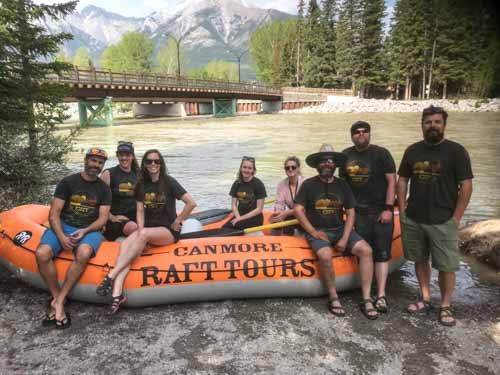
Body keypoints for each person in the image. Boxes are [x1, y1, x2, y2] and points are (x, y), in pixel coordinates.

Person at [397, 105, 473, 327]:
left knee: (446, 266)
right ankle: (425, 298)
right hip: (415, 217)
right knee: (420, 260)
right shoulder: (412, 150)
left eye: (437, 122)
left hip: (444, 219)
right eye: (428, 122)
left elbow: (466, 185)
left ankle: (446, 305)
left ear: (444, 125)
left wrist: (457, 218)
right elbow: (403, 180)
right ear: (422, 125)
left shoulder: (457, 151)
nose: (432, 126)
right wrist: (402, 211)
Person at [96, 149, 196, 313]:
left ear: (161, 164)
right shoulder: (141, 185)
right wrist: (140, 235)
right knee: (126, 246)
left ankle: (111, 275)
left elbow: (191, 203)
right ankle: (117, 294)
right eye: (149, 161)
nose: (153, 164)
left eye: (156, 161)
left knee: (141, 235)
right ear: (144, 164)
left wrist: (178, 220)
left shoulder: (169, 182)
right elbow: (140, 212)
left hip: (167, 231)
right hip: (148, 230)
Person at [294, 144, 378, 320]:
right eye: (323, 160)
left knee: (366, 251)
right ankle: (333, 297)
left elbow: (350, 212)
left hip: (339, 229)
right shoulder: (308, 184)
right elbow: (298, 209)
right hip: (318, 231)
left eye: (330, 160)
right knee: (324, 255)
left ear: (335, 165)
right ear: (318, 164)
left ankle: (367, 298)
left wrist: (345, 238)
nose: (327, 163)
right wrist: (313, 232)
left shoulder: (342, 185)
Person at [35, 147, 111, 329]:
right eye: (93, 161)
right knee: (42, 253)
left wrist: (85, 231)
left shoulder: (103, 189)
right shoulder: (68, 182)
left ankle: (60, 301)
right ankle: (56, 296)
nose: (96, 165)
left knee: (84, 252)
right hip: (64, 225)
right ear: (86, 160)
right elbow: (54, 213)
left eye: (100, 163)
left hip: (89, 229)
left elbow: (102, 218)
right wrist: (61, 236)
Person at [341, 121, 396, 313]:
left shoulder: (382, 154)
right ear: (352, 135)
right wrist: (348, 213)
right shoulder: (345, 155)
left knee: (382, 254)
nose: (361, 134)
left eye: (364, 132)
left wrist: (389, 208)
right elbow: (343, 186)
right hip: (357, 213)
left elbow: (392, 181)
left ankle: (381, 295)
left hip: (380, 212)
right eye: (357, 132)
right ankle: (365, 294)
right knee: (364, 252)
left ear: (369, 134)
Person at [101, 141, 139, 241]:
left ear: (132, 156)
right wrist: (111, 217)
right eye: (121, 155)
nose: (124, 158)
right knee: (133, 227)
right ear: (117, 156)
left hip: (136, 216)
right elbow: (97, 199)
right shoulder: (108, 173)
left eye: (127, 155)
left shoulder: (139, 174)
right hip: (116, 219)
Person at [223, 156, 267, 230]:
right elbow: (234, 204)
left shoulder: (258, 184)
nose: (246, 170)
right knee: (224, 228)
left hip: (254, 218)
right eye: (244, 167)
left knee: (236, 227)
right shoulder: (237, 183)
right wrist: (238, 217)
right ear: (241, 168)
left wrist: (240, 219)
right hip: (240, 215)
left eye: (249, 168)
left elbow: (259, 209)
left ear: (253, 170)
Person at [269, 156, 305, 235]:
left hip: (306, 215)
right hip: (292, 215)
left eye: (293, 167)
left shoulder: (305, 183)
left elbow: (306, 207)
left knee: (288, 217)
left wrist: (286, 213)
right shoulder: (281, 185)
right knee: (279, 221)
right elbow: (279, 204)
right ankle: (280, 242)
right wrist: (277, 215)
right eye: (287, 167)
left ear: (298, 168)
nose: (290, 169)